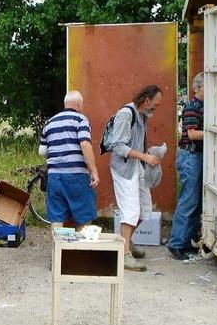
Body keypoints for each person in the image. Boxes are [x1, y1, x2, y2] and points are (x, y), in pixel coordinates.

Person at [109, 85, 163, 272]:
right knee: (130, 210)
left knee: (144, 209)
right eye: (155, 105)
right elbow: (118, 146)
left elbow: (136, 144)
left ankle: (127, 242)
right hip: (124, 169)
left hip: (136, 167)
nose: (155, 109)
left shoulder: (142, 116)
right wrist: (145, 157)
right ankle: (123, 256)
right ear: (146, 101)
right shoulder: (126, 114)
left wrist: (150, 154)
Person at [39, 90, 99, 230]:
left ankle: (58, 251)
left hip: (54, 177)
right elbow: (85, 144)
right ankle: (79, 251)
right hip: (76, 176)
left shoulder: (50, 122)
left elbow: (42, 151)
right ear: (79, 104)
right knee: (84, 216)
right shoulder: (80, 119)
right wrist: (94, 170)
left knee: (57, 216)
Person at [167, 73, 204, 260]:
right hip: (190, 155)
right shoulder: (192, 106)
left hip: (195, 155)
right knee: (189, 200)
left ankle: (185, 241)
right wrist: (213, 132)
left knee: (195, 201)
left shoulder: (203, 106)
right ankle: (176, 244)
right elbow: (193, 134)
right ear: (197, 88)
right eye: (206, 86)